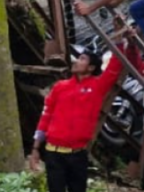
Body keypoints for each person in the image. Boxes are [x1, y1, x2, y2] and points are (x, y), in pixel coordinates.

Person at [30, 40, 131, 192]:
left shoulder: (97, 87)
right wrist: (36, 148)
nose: (76, 61)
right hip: (53, 153)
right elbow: (46, 116)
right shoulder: (59, 87)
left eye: (82, 59)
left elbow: (113, 69)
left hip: (77, 154)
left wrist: (120, 43)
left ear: (91, 68)